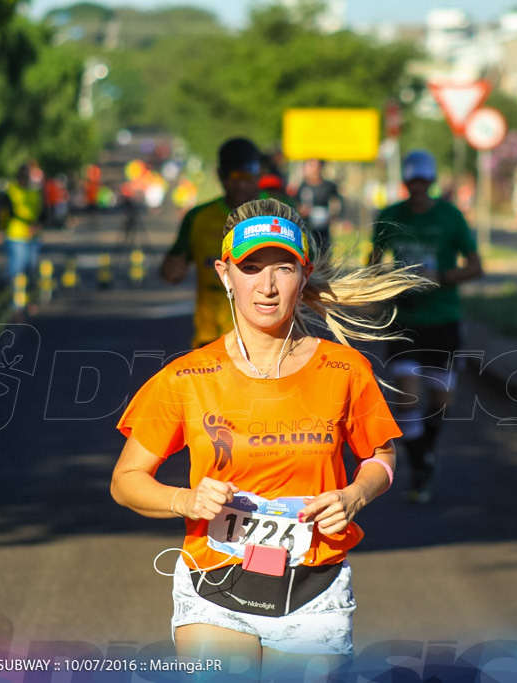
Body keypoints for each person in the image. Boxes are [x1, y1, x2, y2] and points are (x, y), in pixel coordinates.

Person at [112, 198, 428, 677]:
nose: (266, 285)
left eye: (283, 268)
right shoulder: (188, 377)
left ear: (303, 275)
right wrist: (186, 501)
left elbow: (380, 457)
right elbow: (126, 479)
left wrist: (355, 493)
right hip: (211, 587)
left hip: (314, 591)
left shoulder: (344, 370)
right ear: (225, 274)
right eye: (251, 267)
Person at [370, 150, 483, 503]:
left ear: (431, 183)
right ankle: (419, 465)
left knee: (441, 401)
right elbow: (373, 265)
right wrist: (388, 284)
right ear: (405, 183)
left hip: (443, 318)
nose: (417, 189)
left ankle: (427, 449)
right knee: (407, 395)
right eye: (412, 182)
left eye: (423, 182)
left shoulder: (450, 217)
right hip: (403, 320)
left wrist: (441, 277)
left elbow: (476, 266)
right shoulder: (389, 216)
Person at [161, 137, 262, 348]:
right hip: (210, 340)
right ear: (220, 175)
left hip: (266, 339)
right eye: (234, 176)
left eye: (247, 176)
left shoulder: (279, 214)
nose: (241, 184)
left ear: (259, 174)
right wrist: (172, 268)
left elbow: (308, 270)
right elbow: (172, 271)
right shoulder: (198, 218)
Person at [5, 164, 43, 316]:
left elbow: (41, 211)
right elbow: (11, 211)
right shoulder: (12, 191)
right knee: (17, 271)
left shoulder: (35, 193)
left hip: (33, 236)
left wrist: (37, 225)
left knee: (31, 268)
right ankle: (16, 306)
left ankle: (30, 301)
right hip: (16, 235)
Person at [291, 159, 342, 252]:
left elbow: (337, 202)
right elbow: (296, 204)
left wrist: (334, 215)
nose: (314, 169)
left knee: (324, 250)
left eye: (316, 166)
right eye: (310, 166)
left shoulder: (328, 186)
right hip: (308, 226)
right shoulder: (302, 186)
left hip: (324, 226)